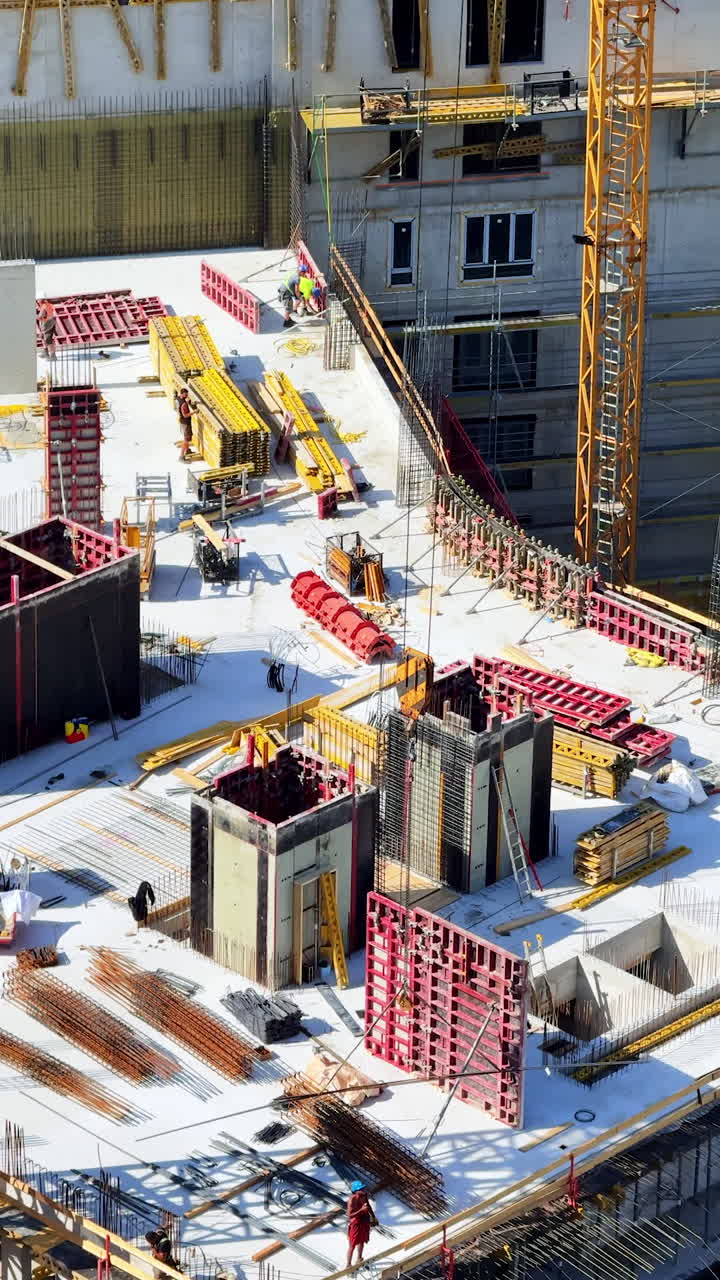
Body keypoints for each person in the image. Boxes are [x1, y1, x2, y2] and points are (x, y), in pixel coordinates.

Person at [346, 1181, 377, 1268]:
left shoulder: (364, 1195)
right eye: (361, 1189)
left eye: (363, 1188)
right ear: (356, 1190)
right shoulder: (352, 1200)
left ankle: (359, 1258)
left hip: (365, 1221)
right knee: (352, 1244)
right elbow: (349, 1215)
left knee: (362, 1241)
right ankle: (348, 1264)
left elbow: (368, 1206)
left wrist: (373, 1217)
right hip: (356, 1222)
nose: (364, 1190)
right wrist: (361, 1210)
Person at [278, 263, 309, 327]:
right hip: (285, 292)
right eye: (304, 272)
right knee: (288, 308)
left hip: (284, 290)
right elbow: (297, 291)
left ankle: (289, 319)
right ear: (301, 272)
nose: (305, 274)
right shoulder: (297, 279)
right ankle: (286, 323)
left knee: (290, 305)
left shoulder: (294, 274)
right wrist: (299, 298)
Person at [177, 388, 194, 461]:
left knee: (187, 438)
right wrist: (194, 412)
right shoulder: (183, 404)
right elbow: (185, 415)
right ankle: (181, 456)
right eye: (186, 394)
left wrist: (188, 402)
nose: (187, 395)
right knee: (186, 440)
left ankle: (187, 450)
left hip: (182, 422)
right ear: (183, 394)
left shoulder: (178, 398)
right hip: (185, 423)